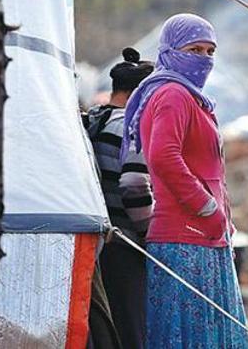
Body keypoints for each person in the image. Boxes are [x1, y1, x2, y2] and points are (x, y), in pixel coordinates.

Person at [121, 13, 248, 349]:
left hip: (205, 234)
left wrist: (223, 218)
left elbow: (209, 168)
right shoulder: (173, 95)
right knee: (192, 337)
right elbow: (164, 157)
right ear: (170, 50)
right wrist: (207, 207)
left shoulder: (192, 97)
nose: (204, 59)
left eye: (210, 51)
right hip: (184, 236)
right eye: (194, 49)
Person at [86, 47, 154, 349]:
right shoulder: (133, 128)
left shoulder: (93, 120)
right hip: (126, 242)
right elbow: (135, 184)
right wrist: (149, 234)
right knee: (133, 328)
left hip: (97, 241)